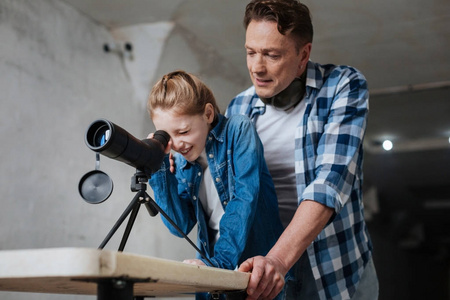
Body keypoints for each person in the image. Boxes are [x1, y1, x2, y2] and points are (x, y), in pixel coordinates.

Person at [226, 1, 379, 299]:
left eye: (272, 55)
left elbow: (329, 182)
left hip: (338, 266)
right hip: (267, 269)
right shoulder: (238, 108)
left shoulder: (342, 86)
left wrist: (279, 260)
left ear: (303, 55)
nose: (257, 67)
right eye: (251, 52)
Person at [146, 70, 284, 299]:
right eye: (168, 137)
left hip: (256, 275)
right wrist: (159, 170)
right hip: (212, 275)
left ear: (208, 114)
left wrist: (216, 264)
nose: (178, 144)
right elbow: (179, 225)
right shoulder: (181, 161)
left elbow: (244, 200)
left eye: (184, 131)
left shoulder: (239, 130)